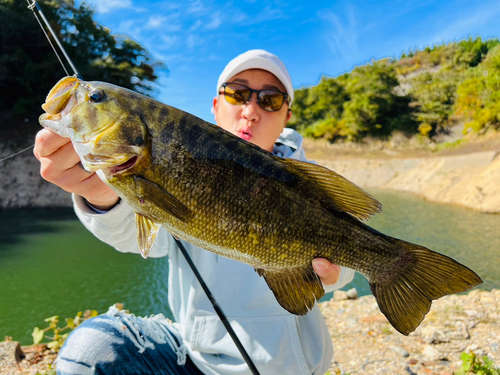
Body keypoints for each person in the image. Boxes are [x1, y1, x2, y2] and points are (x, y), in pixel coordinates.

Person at [34, 49, 355, 375]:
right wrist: (102, 194)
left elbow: (346, 264)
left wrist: (334, 272)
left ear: (287, 115)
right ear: (216, 107)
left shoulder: (311, 183)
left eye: (269, 99)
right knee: (89, 350)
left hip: (292, 367)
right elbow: (142, 239)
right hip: (196, 361)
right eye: (238, 93)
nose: (250, 110)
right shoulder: (172, 163)